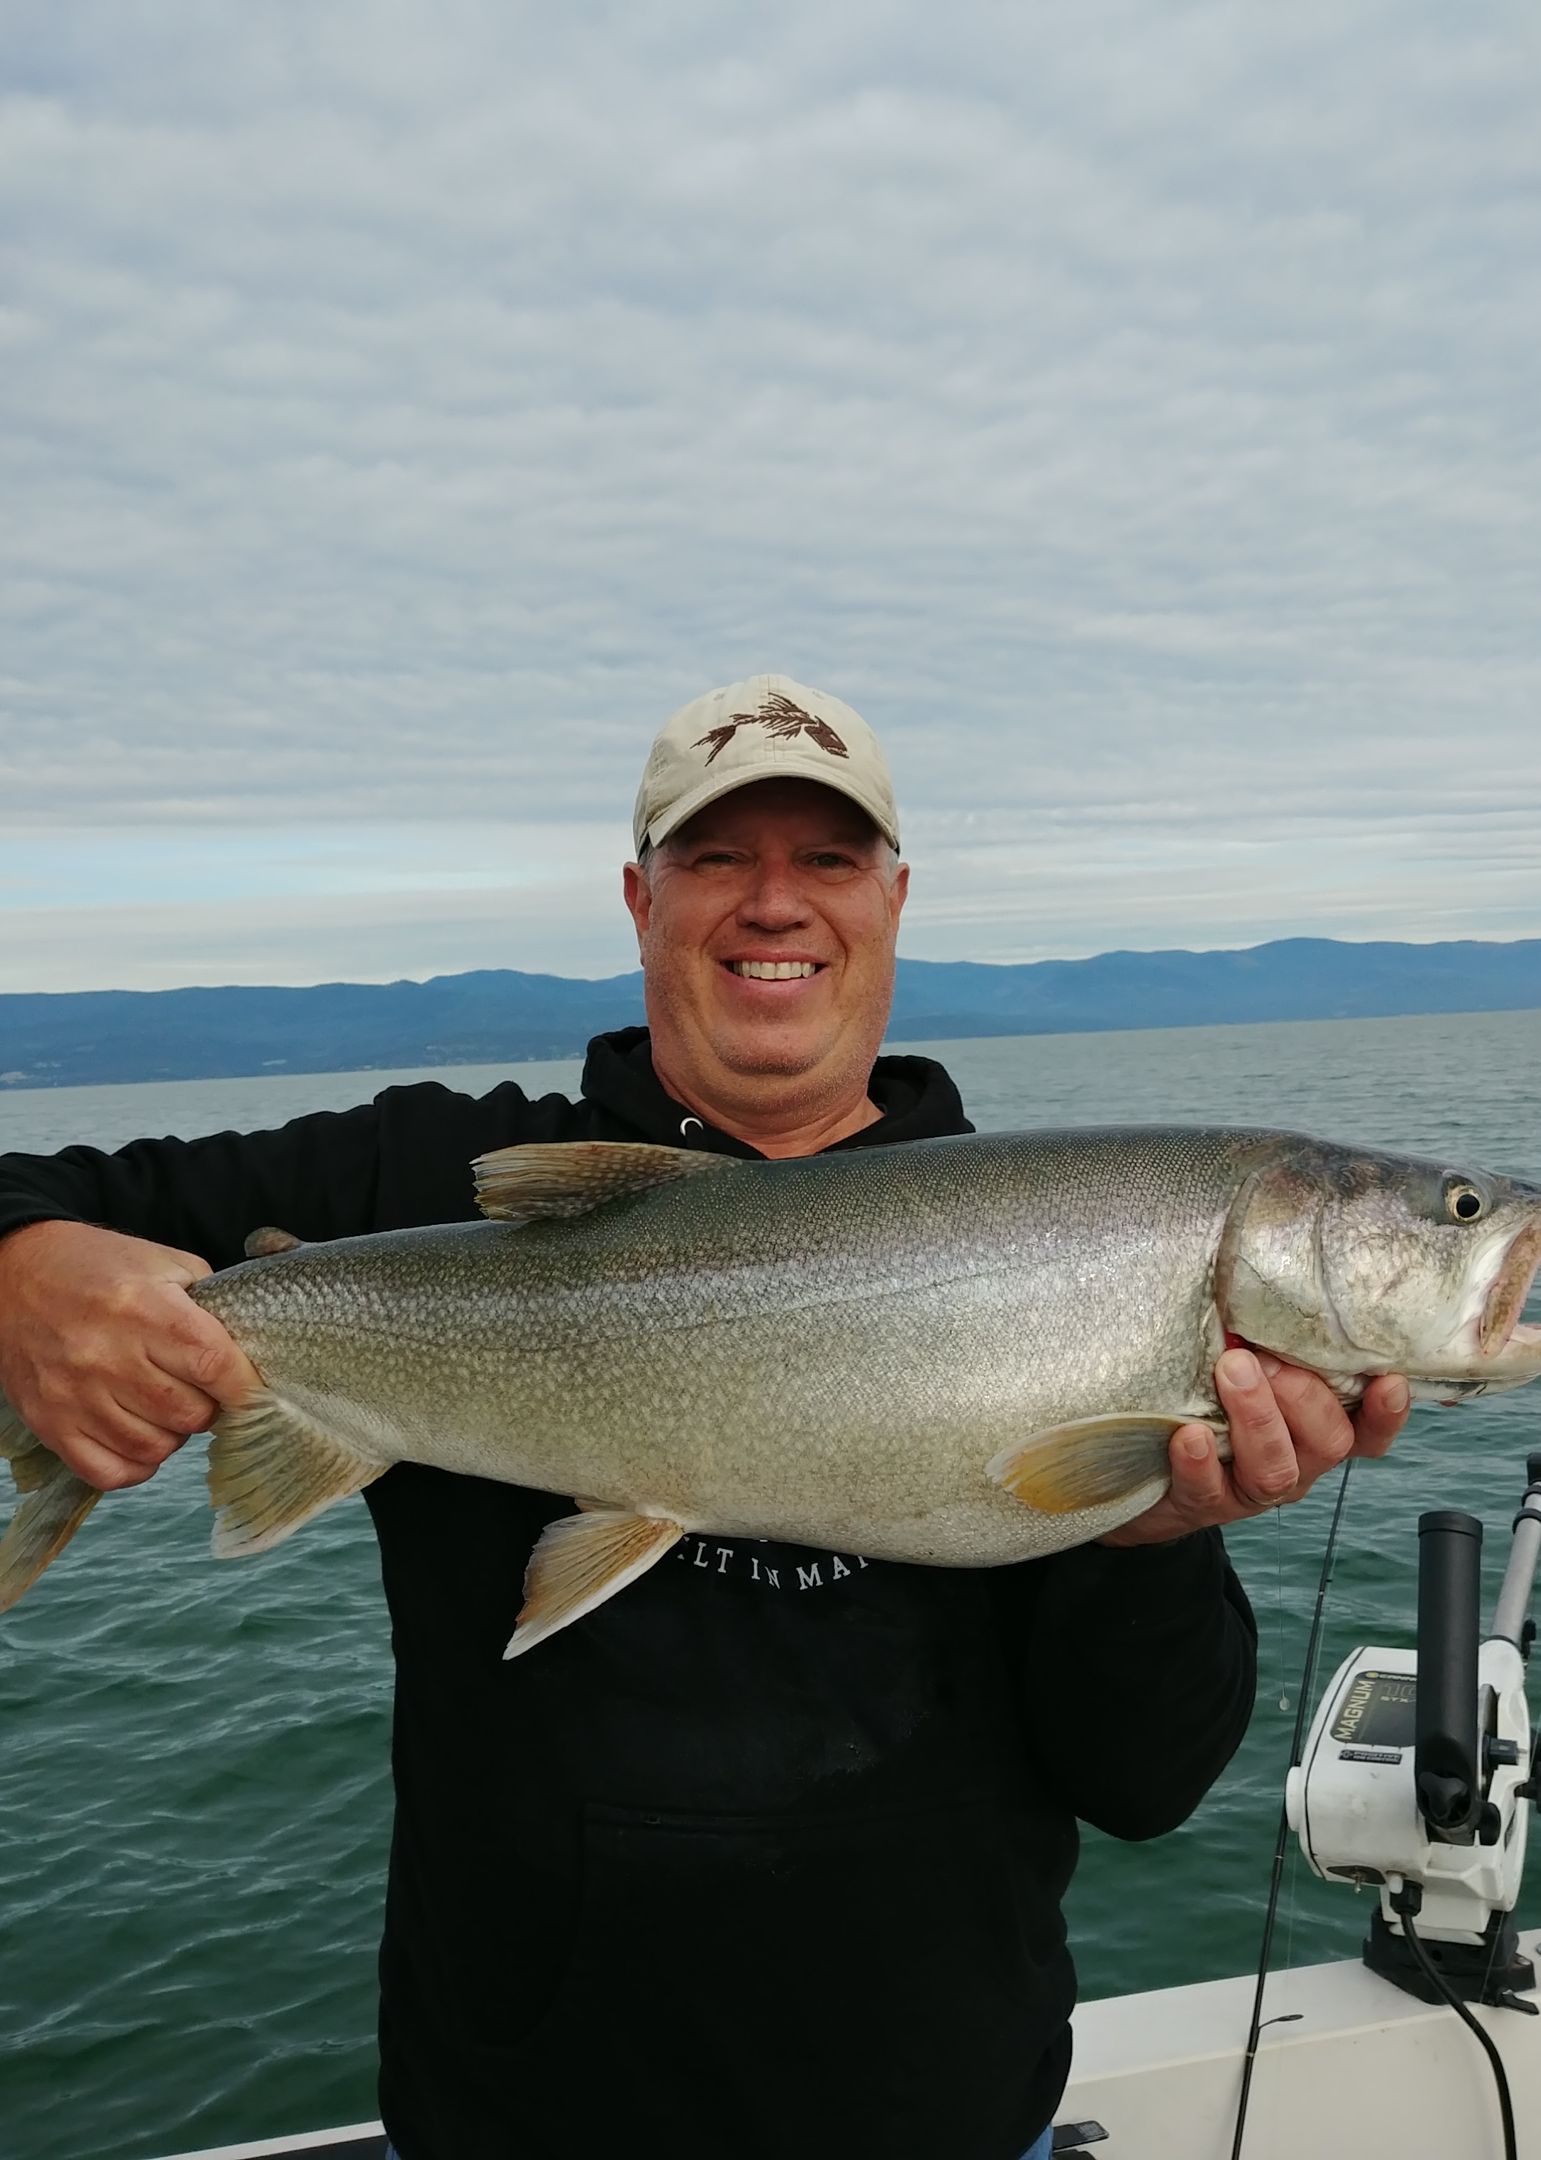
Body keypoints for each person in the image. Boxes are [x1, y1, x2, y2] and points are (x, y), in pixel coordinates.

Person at [0, 675, 1409, 2160]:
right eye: (720, 857)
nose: (773, 904)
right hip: (516, 2124)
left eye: (827, 858)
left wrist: (1157, 1532)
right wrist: (25, 1275)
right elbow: (40, 1192)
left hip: (941, 2121)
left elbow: (1145, 1785)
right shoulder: (424, 1176)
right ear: (640, 896)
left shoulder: (1056, 1255)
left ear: (896, 896)